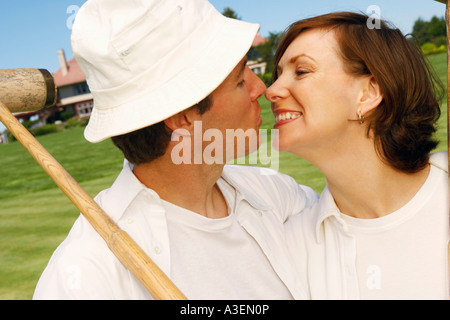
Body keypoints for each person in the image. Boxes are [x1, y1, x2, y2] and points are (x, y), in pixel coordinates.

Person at [33, 0, 318, 300]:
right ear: (182, 118)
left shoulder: (278, 196)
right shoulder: (84, 280)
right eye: (239, 80)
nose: (260, 88)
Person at [265, 12, 449, 299]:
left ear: (368, 93)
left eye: (301, 71)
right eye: (277, 76)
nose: (272, 90)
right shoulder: (293, 250)